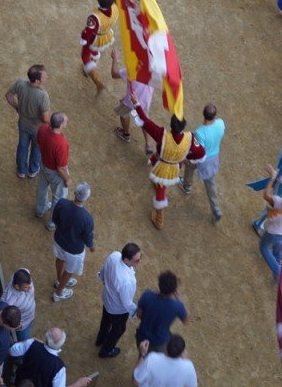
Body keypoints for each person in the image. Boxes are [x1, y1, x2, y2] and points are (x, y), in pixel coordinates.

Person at [129, 92, 205, 229]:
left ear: (171, 125)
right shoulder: (190, 139)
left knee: (160, 192)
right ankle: (158, 201)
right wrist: (185, 157)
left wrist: (136, 103)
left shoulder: (162, 135)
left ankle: (159, 220)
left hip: (163, 168)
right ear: (183, 127)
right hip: (174, 166)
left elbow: (145, 120)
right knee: (159, 184)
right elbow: (201, 153)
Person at [180, 103, 225, 223]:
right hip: (214, 157)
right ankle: (216, 209)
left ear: (203, 114)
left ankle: (187, 186)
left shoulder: (199, 132)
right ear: (215, 115)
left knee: (190, 165)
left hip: (203, 159)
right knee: (210, 183)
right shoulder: (220, 123)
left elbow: (199, 151)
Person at [50, 182, 95, 302]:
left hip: (59, 241)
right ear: (86, 199)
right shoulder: (87, 218)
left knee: (60, 259)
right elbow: (87, 238)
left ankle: (59, 280)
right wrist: (91, 246)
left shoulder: (61, 203)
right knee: (69, 271)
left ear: (75, 193)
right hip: (74, 250)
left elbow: (54, 219)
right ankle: (58, 293)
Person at [96, 243, 141, 358]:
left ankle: (100, 339)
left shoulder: (114, 255)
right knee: (118, 330)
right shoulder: (128, 280)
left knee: (105, 321)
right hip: (117, 310)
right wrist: (136, 312)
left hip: (106, 299)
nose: (139, 262)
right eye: (136, 260)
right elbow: (126, 302)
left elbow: (103, 270)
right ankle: (106, 351)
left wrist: (102, 279)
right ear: (126, 260)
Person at [8, 328, 93, 387]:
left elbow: (12, 351)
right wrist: (78, 384)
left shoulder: (31, 343)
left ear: (46, 338)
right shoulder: (59, 366)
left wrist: (30, 341)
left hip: (20, 383)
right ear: (61, 344)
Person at [5, 64, 51, 179]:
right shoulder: (42, 95)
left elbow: (9, 95)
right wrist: (51, 125)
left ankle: (21, 170)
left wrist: (17, 107)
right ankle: (33, 170)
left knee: (22, 146)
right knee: (36, 149)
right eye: (45, 76)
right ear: (37, 81)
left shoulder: (20, 83)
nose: (47, 77)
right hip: (37, 129)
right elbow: (45, 118)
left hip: (23, 123)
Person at [135, 273, 188, 354]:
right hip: (159, 342)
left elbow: (139, 315)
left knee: (142, 355)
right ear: (174, 290)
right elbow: (185, 320)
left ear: (159, 285)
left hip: (142, 336)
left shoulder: (147, 295)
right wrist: (179, 298)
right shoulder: (178, 306)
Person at [35, 112, 71, 226]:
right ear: (60, 125)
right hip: (55, 173)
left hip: (44, 165)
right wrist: (67, 179)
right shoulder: (61, 144)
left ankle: (40, 210)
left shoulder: (42, 128)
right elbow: (60, 168)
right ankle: (51, 223)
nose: (67, 121)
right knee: (59, 198)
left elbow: (38, 143)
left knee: (42, 188)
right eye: (65, 121)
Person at [133, 335, 198, 387]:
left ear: (165, 347)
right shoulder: (188, 367)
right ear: (183, 352)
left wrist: (142, 355)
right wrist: (185, 361)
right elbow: (193, 386)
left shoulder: (152, 358)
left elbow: (135, 381)